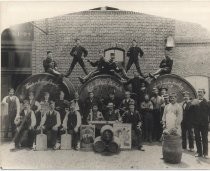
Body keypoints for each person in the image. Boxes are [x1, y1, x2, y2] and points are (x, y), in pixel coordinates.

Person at [191, 89, 210, 158]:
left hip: (204, 124)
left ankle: (205, 153)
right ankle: (199, 152)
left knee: (204, 138)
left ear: (204, 93)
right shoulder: (194, 102)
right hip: (196, 124)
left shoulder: (208, 102)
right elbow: (192, 114)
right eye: (198, 92)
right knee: (197, 138)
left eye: (201, 92)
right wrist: (192, 124)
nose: (199, 93)